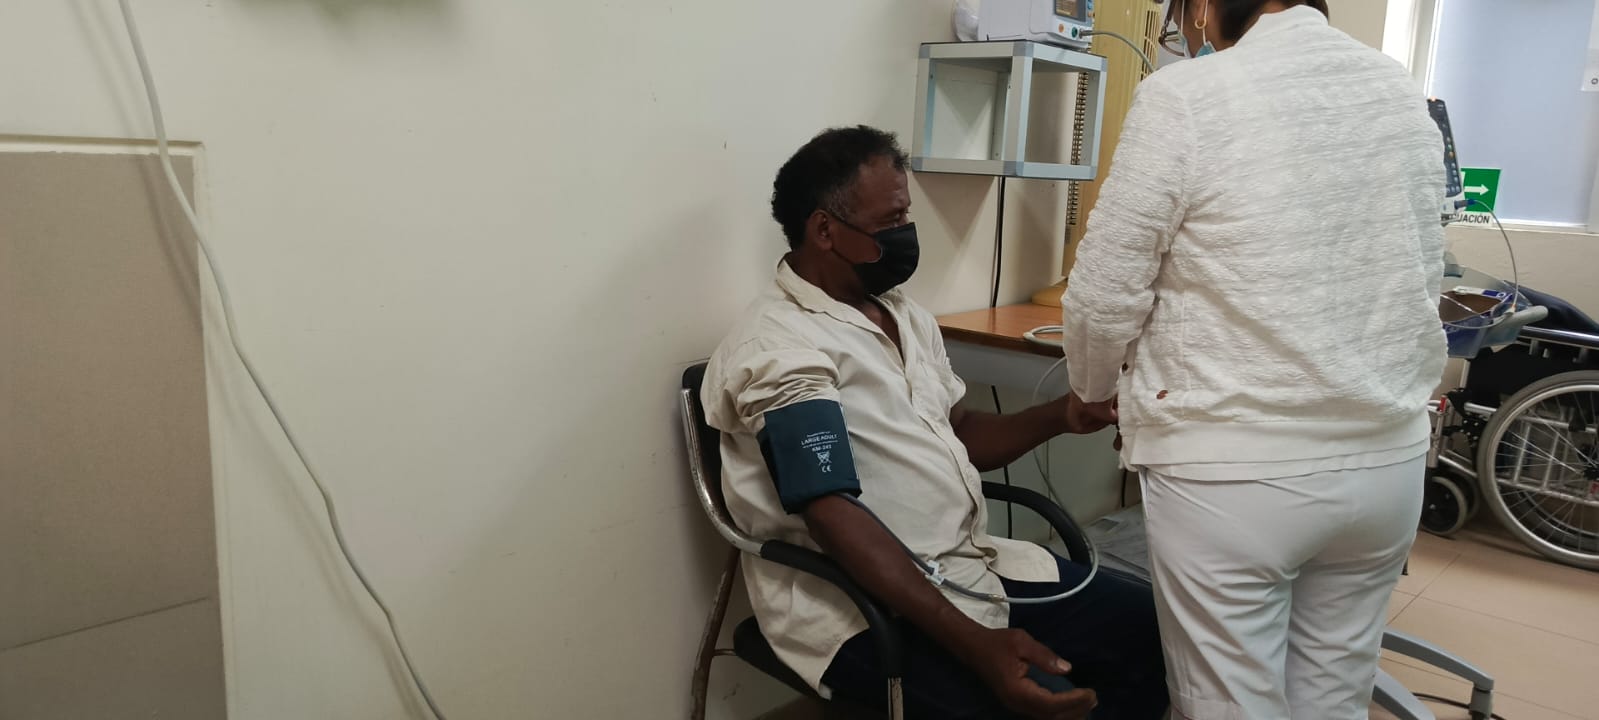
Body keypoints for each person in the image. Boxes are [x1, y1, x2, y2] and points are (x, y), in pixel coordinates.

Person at [1059, 1, 1447, 718]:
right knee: (1333, 695)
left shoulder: (1185, 95)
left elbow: (1104, 290)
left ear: (1205, 8)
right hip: (1385, 463)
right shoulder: (1398, 91)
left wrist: (1090, 386)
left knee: (1227, 701)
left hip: (1235, 468)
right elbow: (1422, 272)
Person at [702, 126, 1168, 720]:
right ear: (824, 230)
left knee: (1156, 635)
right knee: (1043, 707)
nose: (906, 232)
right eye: (891, 220)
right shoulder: (780, 349)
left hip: (967, 566)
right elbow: (832, 515)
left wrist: (1062, 414)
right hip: (858, 607)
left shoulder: (901, 314)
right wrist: (978, 646)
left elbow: (960, 430)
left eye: (906, 214)